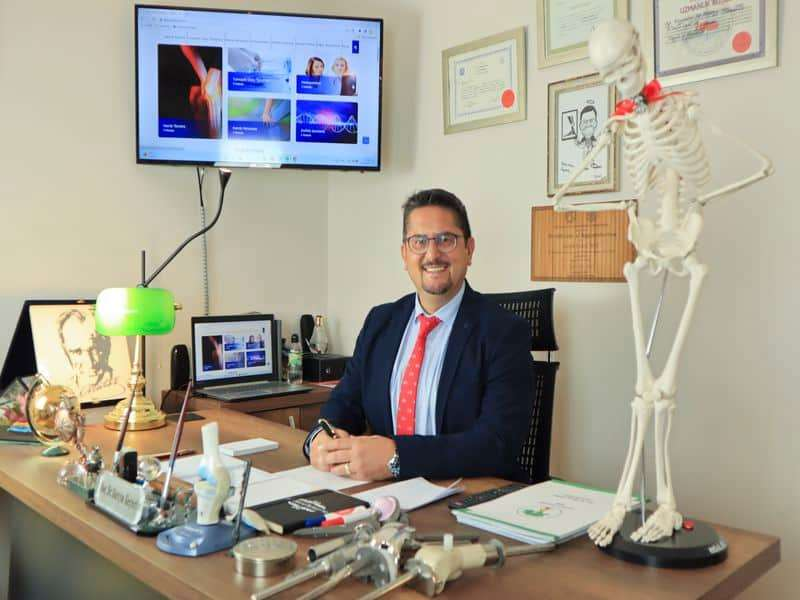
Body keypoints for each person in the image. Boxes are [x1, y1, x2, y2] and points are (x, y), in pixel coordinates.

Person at [305, 189, 534, 482]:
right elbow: (345, 402)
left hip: (467, 493)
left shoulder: (503, 331)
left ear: (469, 249)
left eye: (446, 240)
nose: (432, 254)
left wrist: (398, 457)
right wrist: (319, 438)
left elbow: (498, 442)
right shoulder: (380, 322)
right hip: (386, 493)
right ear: (404, 254)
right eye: (419, 242)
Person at [57, 309, 126, 402]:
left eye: (94, 350)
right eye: (77, 352)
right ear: (66, 352)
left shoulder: (124, 382)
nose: (90, 363)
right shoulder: (62, 391)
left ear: (107, 347)